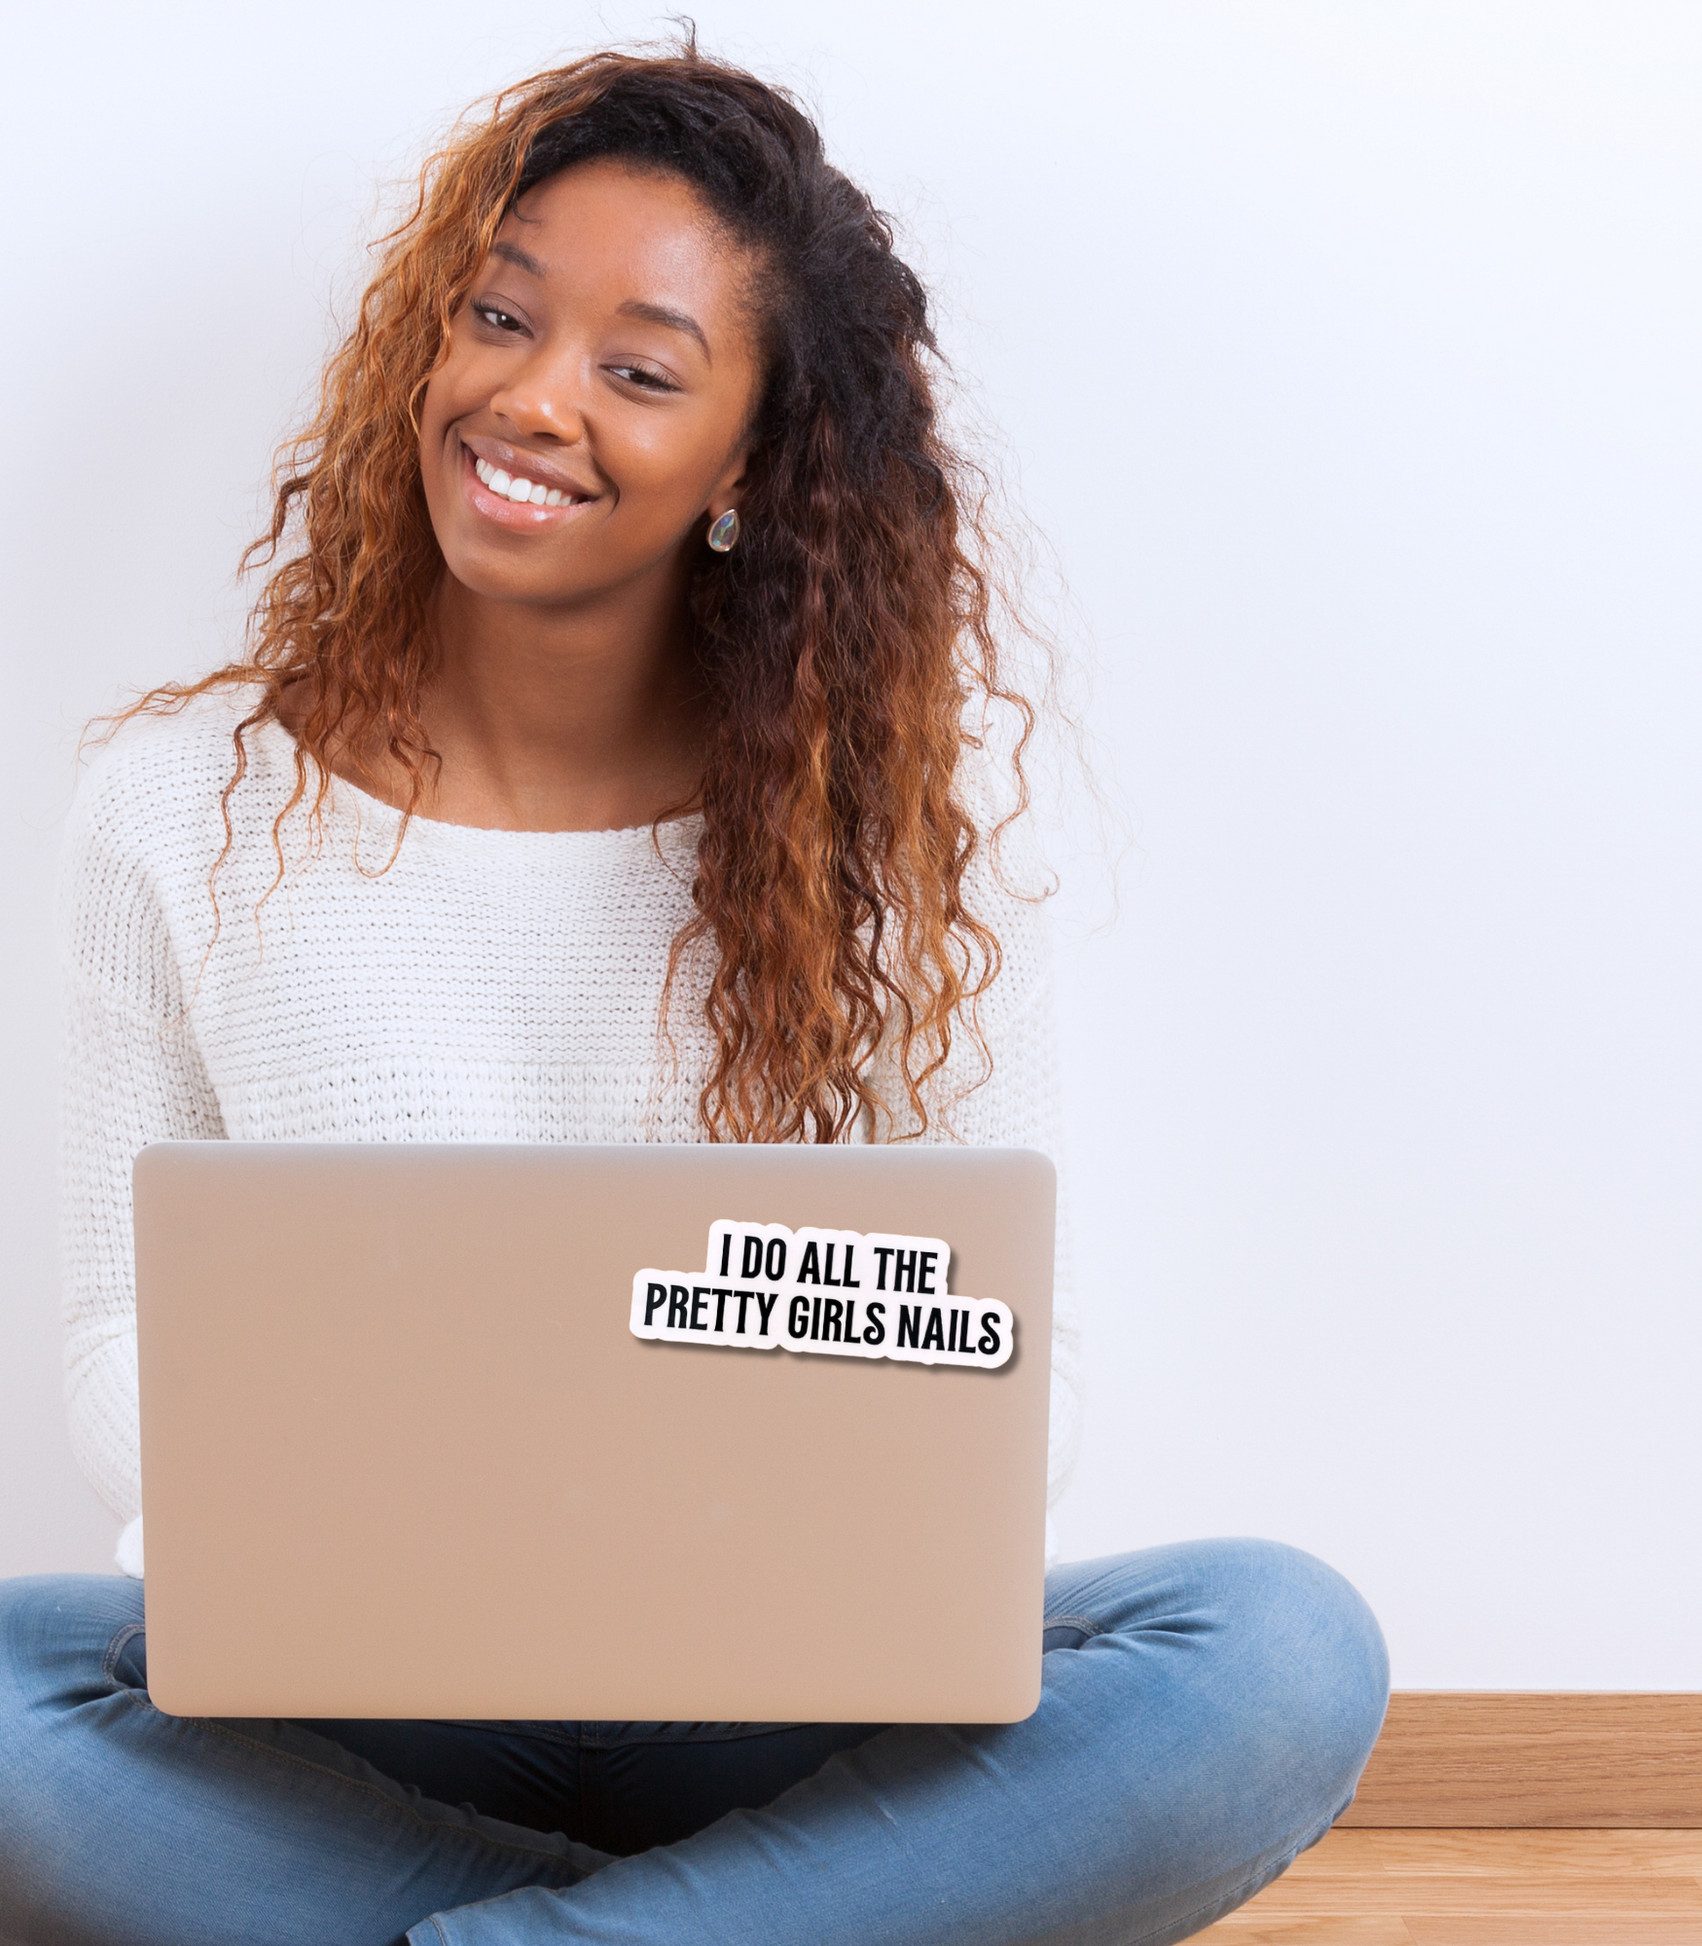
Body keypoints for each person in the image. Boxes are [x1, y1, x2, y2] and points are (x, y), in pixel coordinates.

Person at [0, 43, 1388, 1946]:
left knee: (1283, 1646)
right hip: (352, 1681)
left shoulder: (912, 816)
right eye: (498, 316)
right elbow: (106, 1332)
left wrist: (721, 1422)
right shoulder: (174, 804)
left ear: (750, 458)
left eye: (637, 369)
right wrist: (409, 1488)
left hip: (781, 1679)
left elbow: (1011, 1371)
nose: (529, 397)